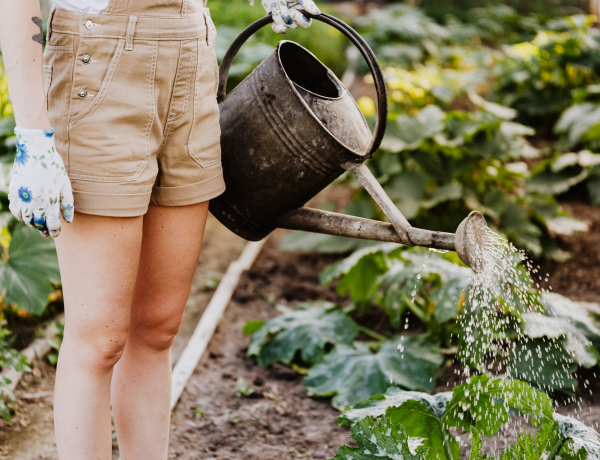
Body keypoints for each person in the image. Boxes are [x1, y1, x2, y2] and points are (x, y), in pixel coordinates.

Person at [0, 0, 320, 458]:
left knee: (157, 328)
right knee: (100, 340)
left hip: (191, 53)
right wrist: (32, 135)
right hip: (99, 61)